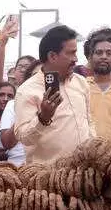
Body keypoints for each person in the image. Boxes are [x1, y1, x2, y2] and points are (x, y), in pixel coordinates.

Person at [14, 24, 95, 164]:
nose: (75, 59)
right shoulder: (27, 90)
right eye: (71, 53)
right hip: (47, 174)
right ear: (52, 56)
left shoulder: (80, 82)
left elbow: (89, 122)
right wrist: (43, 118)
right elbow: (23, 137)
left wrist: (93, 148)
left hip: (83, 170)